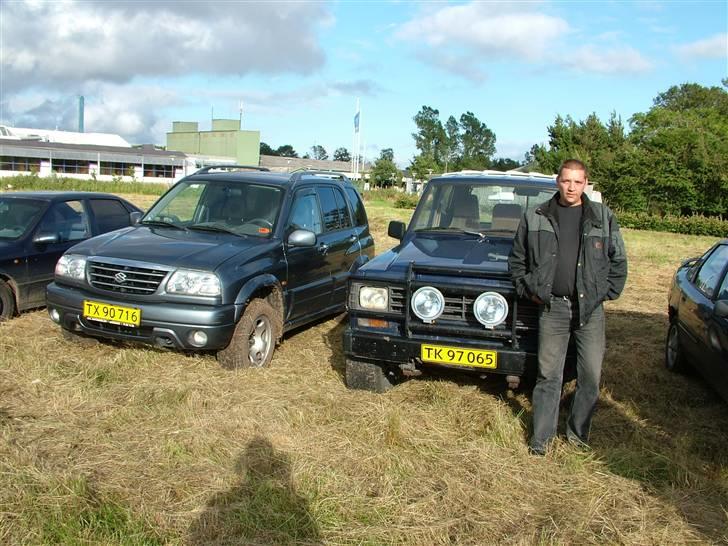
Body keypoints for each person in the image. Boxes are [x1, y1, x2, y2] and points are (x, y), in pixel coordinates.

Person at [508, 159, 627, 455]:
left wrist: (604, 293)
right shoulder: (535, 216)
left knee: (589, 377)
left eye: (577, 181)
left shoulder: (603, 216)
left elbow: (618, 261)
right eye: (566, 181)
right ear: (557, 181)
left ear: (586, 183)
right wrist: (531, 291)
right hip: (552, 309)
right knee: (549, 376)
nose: (571, 187)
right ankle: (540, 440)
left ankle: (577, 436)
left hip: (590, 311)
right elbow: (516, 262)